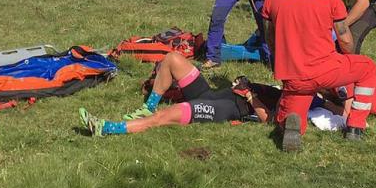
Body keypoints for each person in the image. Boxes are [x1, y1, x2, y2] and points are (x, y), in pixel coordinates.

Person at [261, 0, 376, 150]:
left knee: (289, 116)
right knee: (367, 67)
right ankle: (355, 127)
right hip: (325, 71)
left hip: (292, 76)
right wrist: (348, 58)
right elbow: (344, 38)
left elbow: (270, 38)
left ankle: (291, 125)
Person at [78, 51, 278, 136]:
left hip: (221, 109)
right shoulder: (284, 89)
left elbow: (269, 120)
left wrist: (250, 95)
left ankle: (106, 128)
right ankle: (148, 107)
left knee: (164, 116)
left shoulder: (287, 102)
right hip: (210, 94)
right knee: (173, 58)